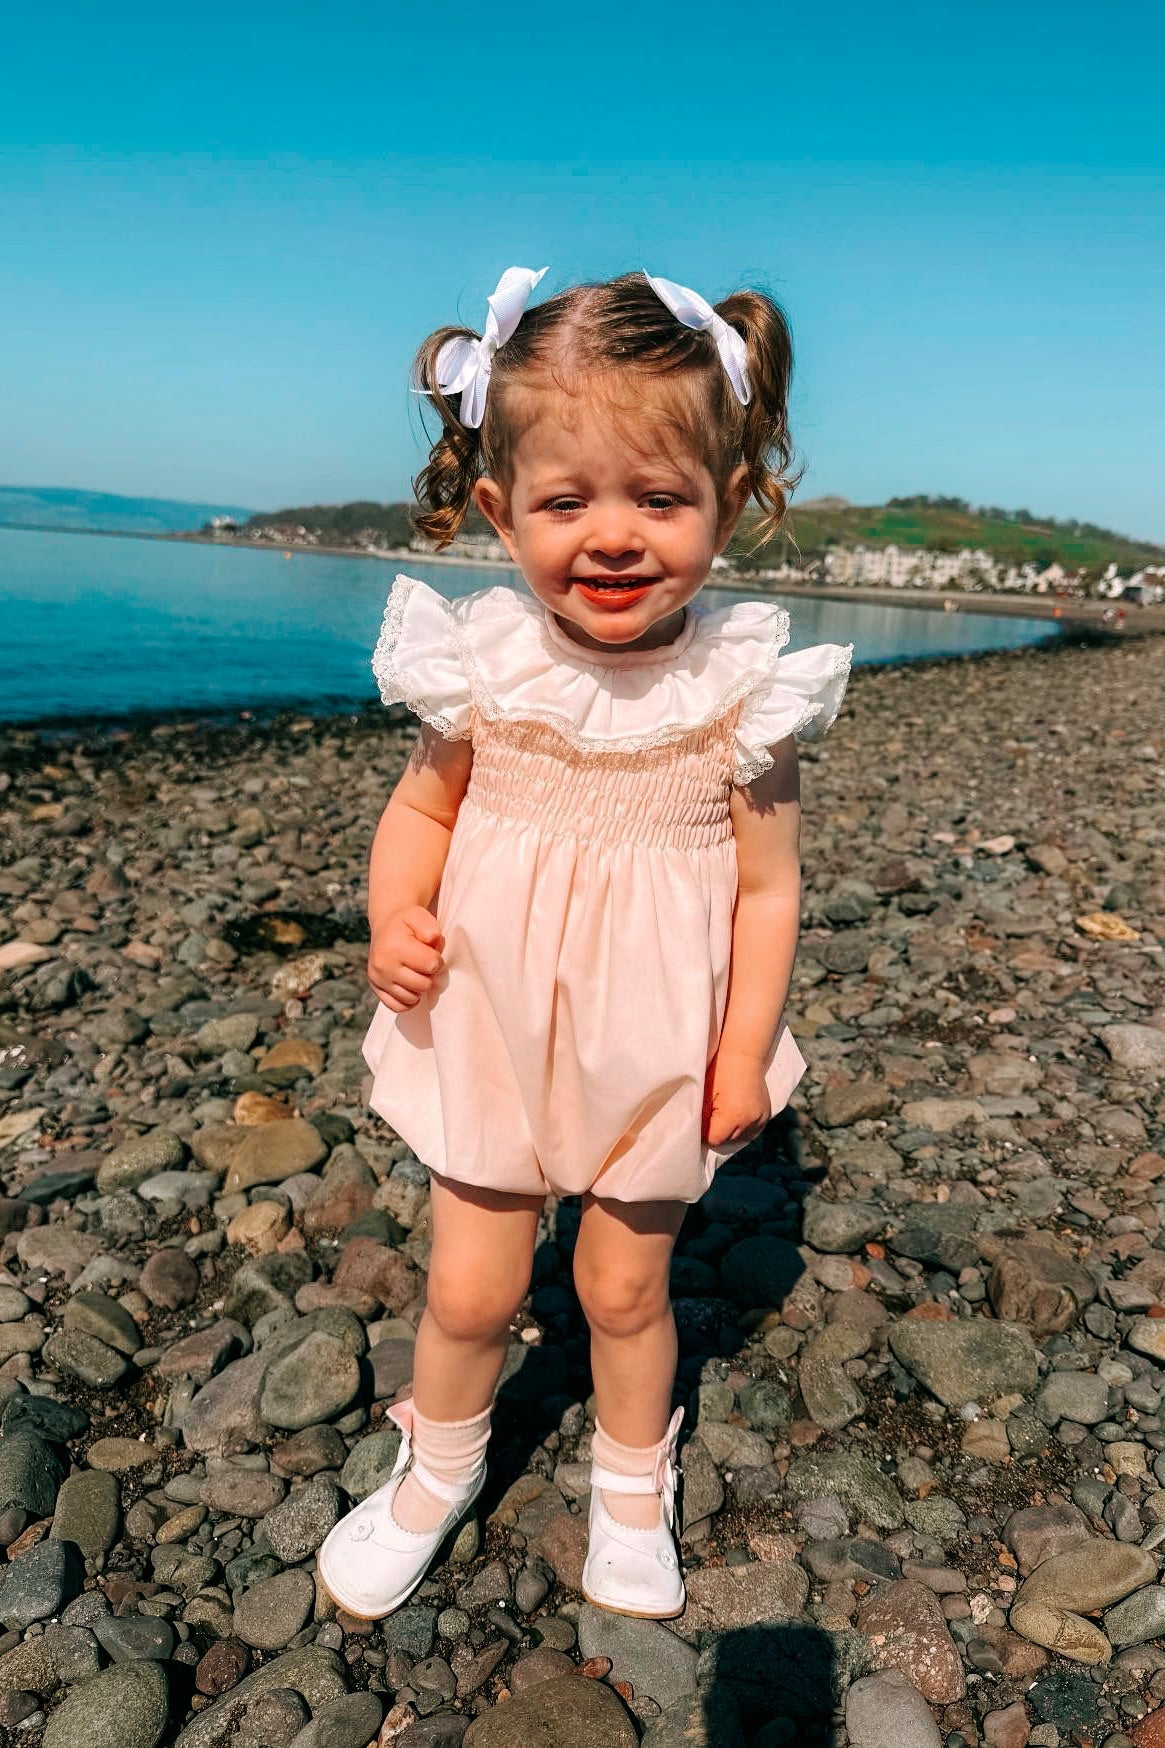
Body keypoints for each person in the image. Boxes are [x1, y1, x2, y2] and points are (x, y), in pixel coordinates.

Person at [317, 265, 854, 1622]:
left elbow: (767, 891)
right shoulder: (487, 661)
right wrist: (392, 918)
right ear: (501, 509)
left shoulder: (739, 690)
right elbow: (420, 810)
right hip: (488, 1019)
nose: (613, 537)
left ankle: (628, 1479)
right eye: (567, 503)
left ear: (729, 501)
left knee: (622, 1290)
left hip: (654, 1040)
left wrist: (744, 1053)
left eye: (658, 499)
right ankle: (439, 1465)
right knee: (469, 1288)